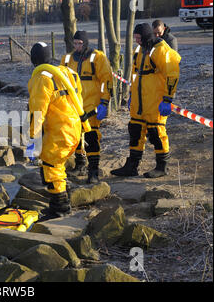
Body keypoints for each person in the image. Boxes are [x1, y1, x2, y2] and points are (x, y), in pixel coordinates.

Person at [111, 23, 181, 178]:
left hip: (155, 100)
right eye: (135, 38)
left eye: (138, 37)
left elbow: (173, 74)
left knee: (156, 132)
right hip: (138, 101)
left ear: (146, 36)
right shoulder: (140, 50)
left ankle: (162, 167)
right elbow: (135, 74)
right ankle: (132, 166)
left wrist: (168, 98)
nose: (136, 40)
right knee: (135, 131)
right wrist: (130, 95)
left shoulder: (161, 50)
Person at [26, 42, 83, 215]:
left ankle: (60, 208)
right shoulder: (68, 72)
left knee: (51, 165)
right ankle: (63, 199)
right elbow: (79, 98)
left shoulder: (42, 78)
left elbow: (37, 111)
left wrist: (32, 140)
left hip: (60, 131)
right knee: (58, 165)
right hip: (74, 128)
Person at [60, 31, 114, 183]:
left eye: (79, 43)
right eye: (75, 43)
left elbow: (106, 80)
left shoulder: (97, 57)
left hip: (92, 105)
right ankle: (80, 164)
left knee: (91, 137)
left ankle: (94, 171)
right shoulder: (67, 59)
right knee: (76, 136)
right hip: (73, 105)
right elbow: (60, 79)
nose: (77, 46)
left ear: (85, 43)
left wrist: (104, 101)